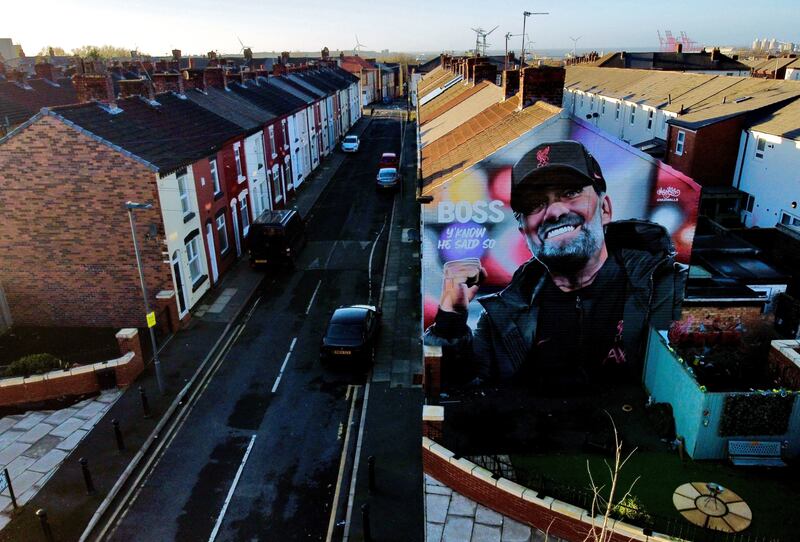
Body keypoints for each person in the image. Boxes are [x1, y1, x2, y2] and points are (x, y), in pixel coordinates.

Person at [425, 140, 686, 393]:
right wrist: (450, 319)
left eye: (571, 193)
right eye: (535, 204)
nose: (554, 211)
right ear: (524, 232)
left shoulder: (668, 291)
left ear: (605, 209)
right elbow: (451, 391)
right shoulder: (501, 318)